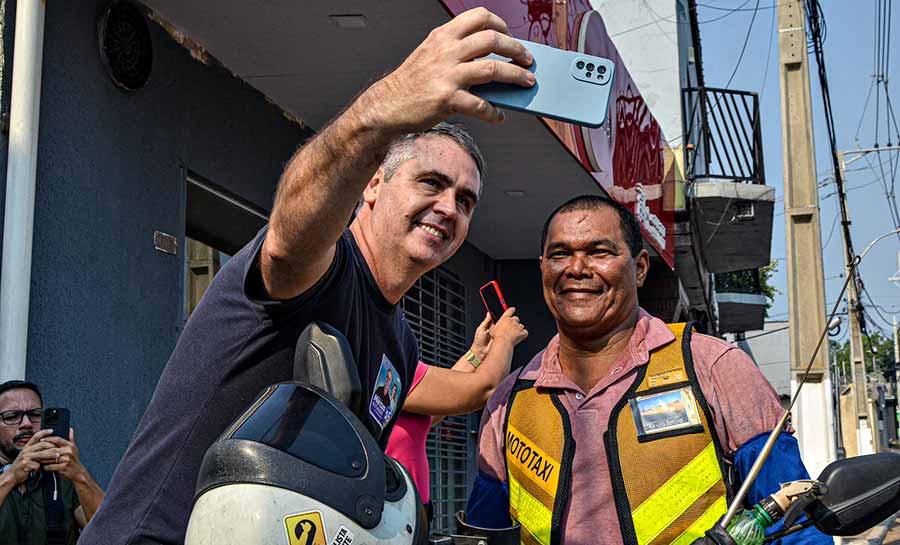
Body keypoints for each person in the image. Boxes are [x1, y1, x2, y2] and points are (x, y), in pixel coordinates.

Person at [79, 8, 537, 545]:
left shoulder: (400, 341)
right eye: (430, 182)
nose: (448, 207)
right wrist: (382, 110)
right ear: (371, 186)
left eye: (465, 200)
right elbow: (288, 243)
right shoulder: (324, 269)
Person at [465, 195, 830, 545]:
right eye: (560, 254)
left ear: (639, 268)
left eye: (599, 252)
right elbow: (483, 535)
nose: (576, 269)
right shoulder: (511, 399)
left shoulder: (711, 367)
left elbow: (794, 521)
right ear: (543, 269)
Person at [386, 308, 528, 516]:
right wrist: (504, 339)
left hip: (406, 514)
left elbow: (434, 406)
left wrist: (478, 352)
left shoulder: (387, 373)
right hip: (391, 517)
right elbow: (484, 388)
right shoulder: (392, 368)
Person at [0, 380, 105, 545]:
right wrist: (11, 476)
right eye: (12, 416)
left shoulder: (63, 475)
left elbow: (113, 532)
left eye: (35, 414)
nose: (26, 424)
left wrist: (80, 476)